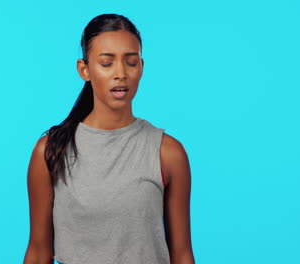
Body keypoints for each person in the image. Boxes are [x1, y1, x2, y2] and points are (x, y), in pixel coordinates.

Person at [23, 14, 195, 264]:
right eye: (107, 63)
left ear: (142, 67)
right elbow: (39, 251)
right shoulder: (50, 151)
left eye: (131, 62)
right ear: (85, 69)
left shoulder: (167, 153)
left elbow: (181, 254)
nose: (121, 73)